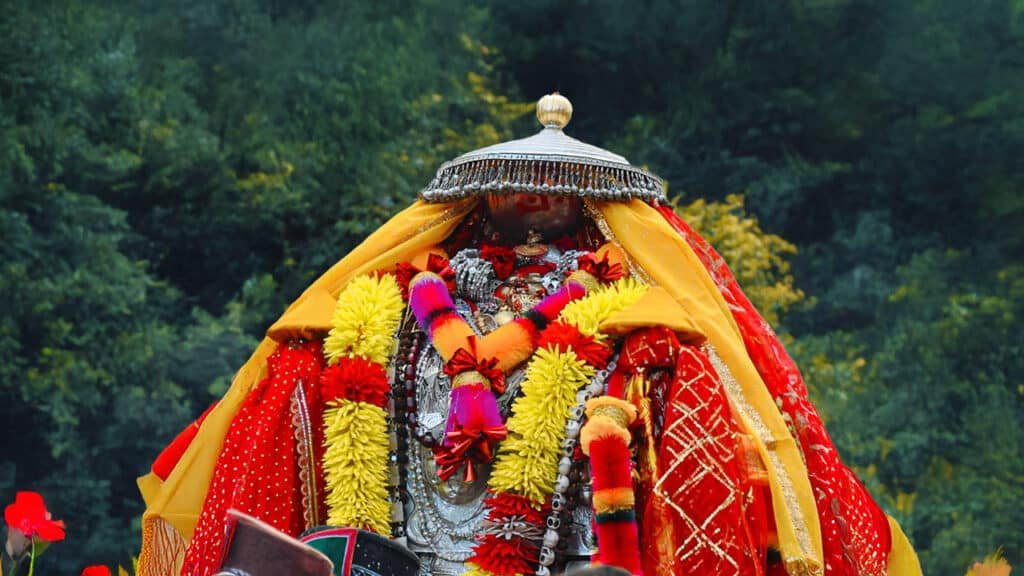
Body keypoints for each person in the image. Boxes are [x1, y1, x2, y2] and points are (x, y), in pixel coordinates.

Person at [136, 94, 922, 576]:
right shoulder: (399, 299)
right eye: (511, 194)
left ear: (594, 212)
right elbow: (304, 391)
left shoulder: (632, 313)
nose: (533, 208)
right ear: (478, 203)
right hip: (395, 552)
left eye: (554, 200)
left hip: (563, 552)